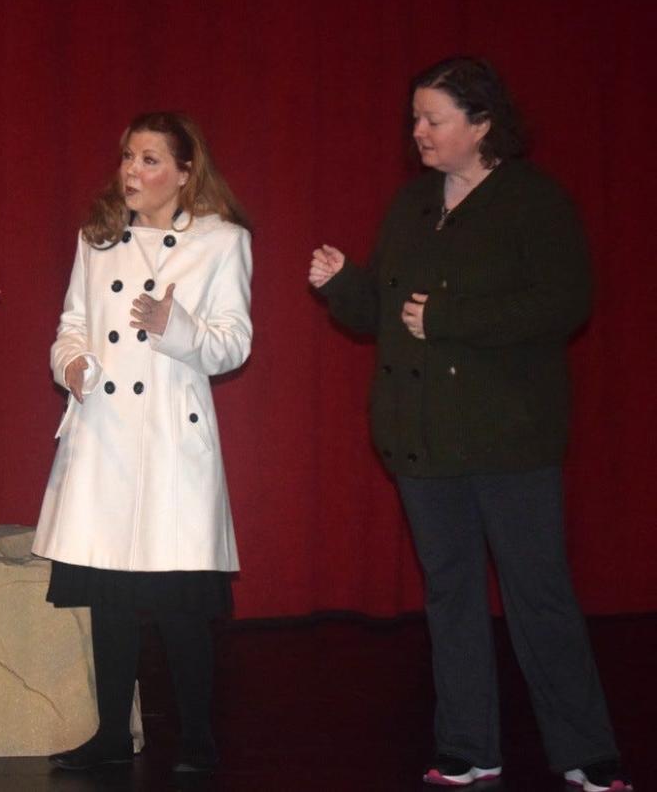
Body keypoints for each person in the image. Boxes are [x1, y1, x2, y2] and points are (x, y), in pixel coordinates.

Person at [308, 57, 631, 792]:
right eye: (415, 118)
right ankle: (467, 744)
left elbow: (564, 304)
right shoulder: (413, 206)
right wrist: (343, 285)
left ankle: (585, 748)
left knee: (537, 592)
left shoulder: (533, 202)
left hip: (508, 436)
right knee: (450, 593)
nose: (418, 131)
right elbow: (383, 318)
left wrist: (450, 318)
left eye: (434, 119)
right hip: (422, 437)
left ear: (482, 124)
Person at [33, 111, 253, 776]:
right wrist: (70, 365)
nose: (132, 171)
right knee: (110, 599)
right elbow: (72, 323)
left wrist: (176, 326)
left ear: (186, 173)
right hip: (104, 434)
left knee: (180, 601)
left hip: (171, 442)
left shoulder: (221, 242)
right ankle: (110, 734)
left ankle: (196, 738)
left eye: (150, 160)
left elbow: (233, 344)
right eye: (129, 157)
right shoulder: (98, 240)